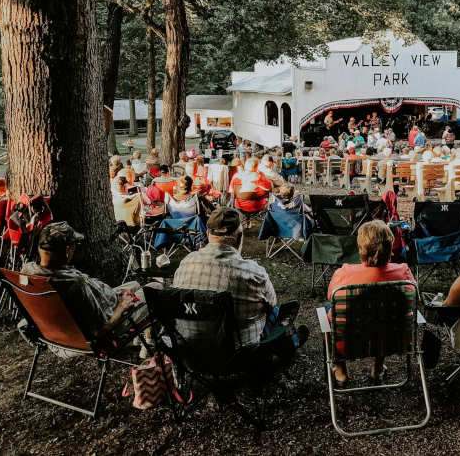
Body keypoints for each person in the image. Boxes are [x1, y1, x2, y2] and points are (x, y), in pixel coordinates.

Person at [173, 207, 308, 352]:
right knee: (274, 312)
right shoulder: (252, 272)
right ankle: (290, 344)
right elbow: (272, 303)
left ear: (207, 233)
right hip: (240, 355)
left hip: (193, 352)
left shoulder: (186, 263)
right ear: (240, 237)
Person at [22, 222, 161, 356]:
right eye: (74, 245)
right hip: (112, 320)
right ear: (66, 250)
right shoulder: (76, 285)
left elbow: (24, 323)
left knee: (135, 285)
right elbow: (100, 330)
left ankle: (142, 339)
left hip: (62, 333)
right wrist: (121, 306)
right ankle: (149, 343)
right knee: (155, 288)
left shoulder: (29, 274)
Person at [327, 220, 416, 385]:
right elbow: (415, 300)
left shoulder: (344, 273)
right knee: (386, 313)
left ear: (361, 248)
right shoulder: (404, 273)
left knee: (331, 308)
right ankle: (377, 366)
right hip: (394, 341)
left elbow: (329, 296)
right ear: (390, 248)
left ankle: (340, 370)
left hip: (347, 344)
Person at [228, 158, 272, 227]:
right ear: (256, 167)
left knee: (246, 199)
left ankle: (248, 223)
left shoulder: (236, 176)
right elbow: (269, 187)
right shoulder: (258, 177)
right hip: (256, 206)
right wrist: (263, 176)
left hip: (240, 206)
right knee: (257, 199)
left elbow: (231, 192)